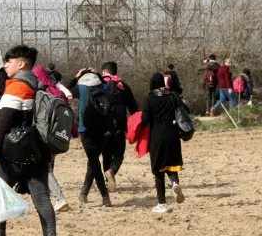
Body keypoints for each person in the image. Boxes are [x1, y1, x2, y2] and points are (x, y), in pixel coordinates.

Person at [0, 45, 58, 236]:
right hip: (38, 153)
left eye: (9, 62)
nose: (6, 65)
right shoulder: (39, 84)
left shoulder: (17, 87)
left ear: (21, 64)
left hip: (14, 154)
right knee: (43, 201)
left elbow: (4, 125)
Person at [141, 72, 185, 213]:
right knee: (171, 164)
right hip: (173, 134)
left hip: (157, 136)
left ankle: (162, 204)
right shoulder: (173, 96)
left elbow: (145, 120)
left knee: (158, 170)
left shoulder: (149, 99)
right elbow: (183, 111)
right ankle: (175, 183)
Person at [31, 64, 70, 213]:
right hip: (57, 137)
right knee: (47, 168)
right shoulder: (57, 90)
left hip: (43, 136)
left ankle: (60, 199)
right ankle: (47, 198)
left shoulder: (40, 92)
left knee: (45, 170)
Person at [99, 61, 139, 192]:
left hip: (103, 126)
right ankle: (112, 171)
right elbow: (133, 108)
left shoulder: (99, 85)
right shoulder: (123, 86)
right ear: (115, 72)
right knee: (119, 154)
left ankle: (108, 182)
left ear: (104, 71)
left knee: (106, 154)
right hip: (119, 125)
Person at [76, 69, 113, 207]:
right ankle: (84, 193)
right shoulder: (103, 87)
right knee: (93, 162)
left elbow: (67, 88)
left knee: (94, 163)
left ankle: (105, 196)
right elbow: (107, 84)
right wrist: (97, 73)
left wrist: (78, 75)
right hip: (103, 130)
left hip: (85, 130)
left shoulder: (80, 88)